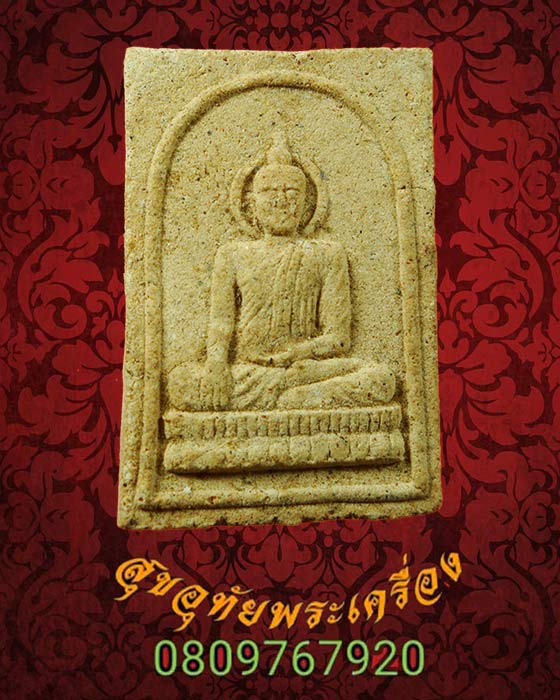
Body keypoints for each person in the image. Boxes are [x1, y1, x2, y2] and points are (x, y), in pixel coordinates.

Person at [168, 135, 395, 411]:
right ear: (251, 204)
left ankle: (299, 397)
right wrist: (216, 366)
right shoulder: (233, 254)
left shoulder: (327, 253)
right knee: (180, 382)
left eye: (291, 192)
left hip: (305, 369)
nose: (280, 201)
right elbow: (221, 322)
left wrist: (297, 354)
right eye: (269, 191)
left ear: (307, 203)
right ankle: (299, 399)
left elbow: (339, 338)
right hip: (249, 373)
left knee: (381, 379)